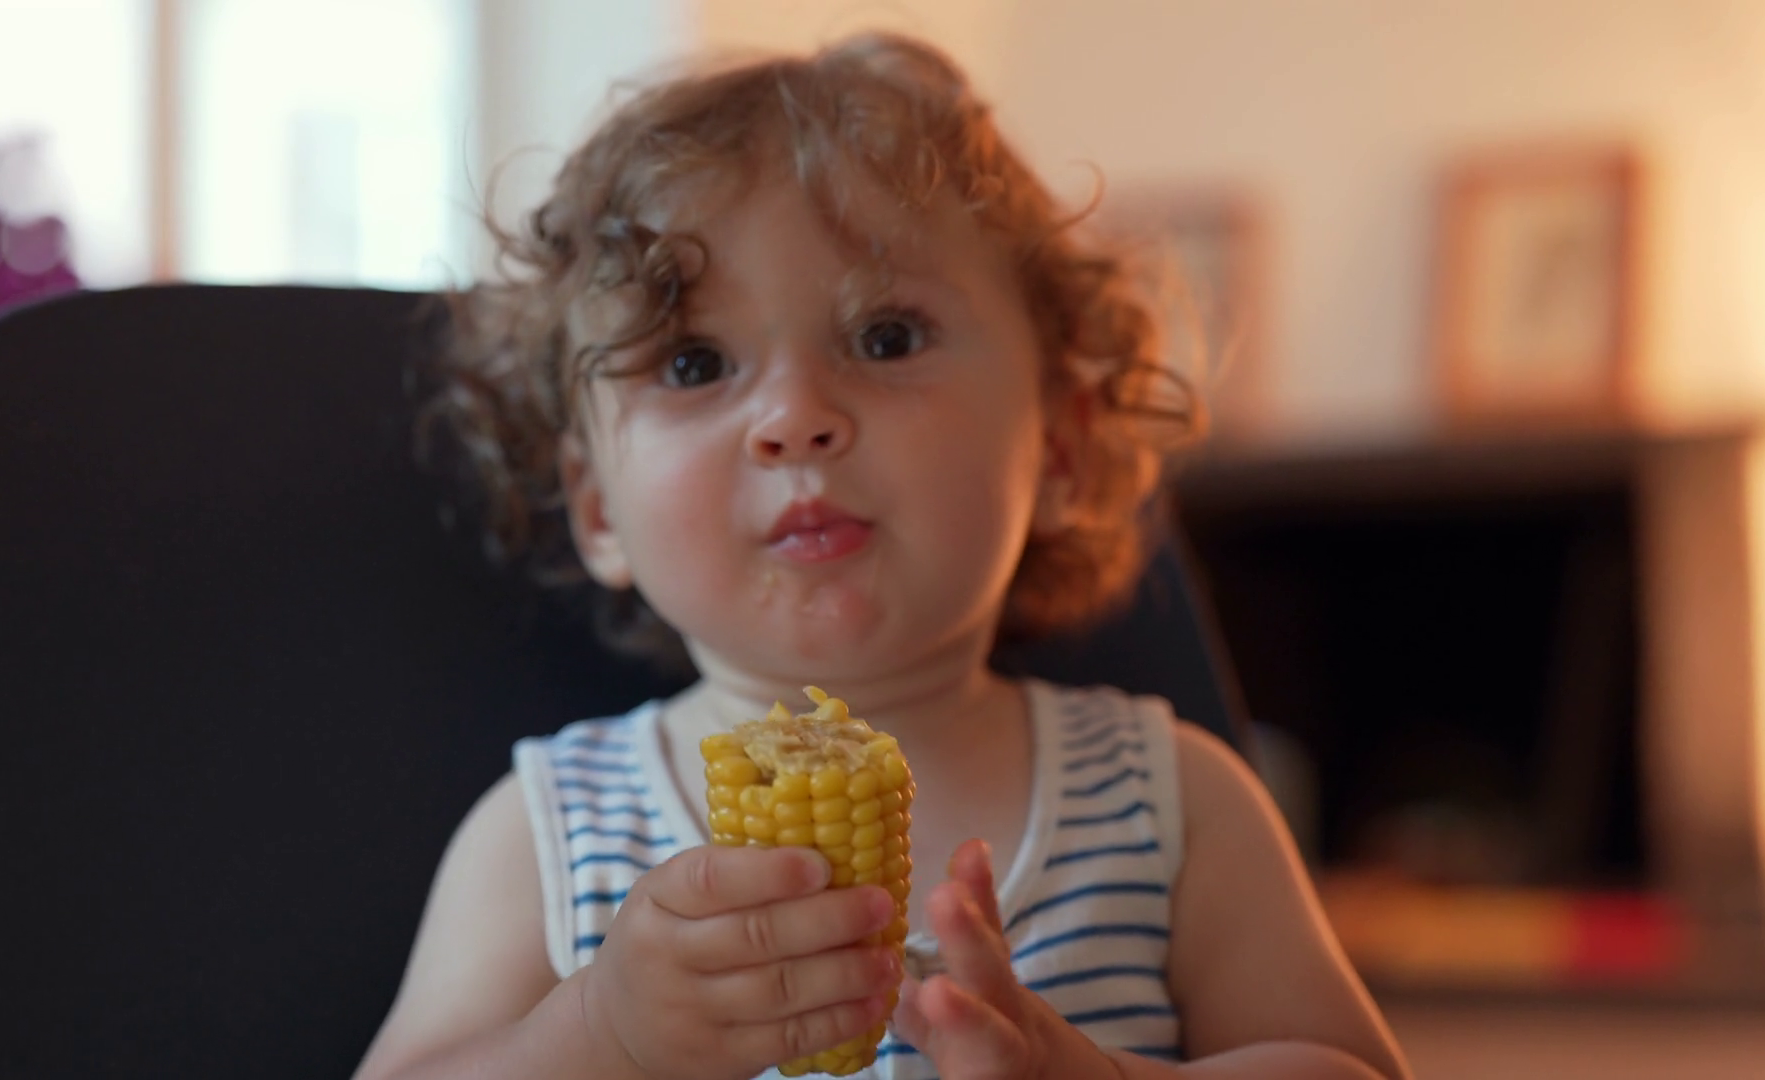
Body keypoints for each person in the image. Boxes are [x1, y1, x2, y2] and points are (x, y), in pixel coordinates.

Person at [355, 31, 1408, 1080]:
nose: (793, 418)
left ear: (1059, 446)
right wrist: (599, 1034)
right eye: (695, 362)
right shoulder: (552, 829)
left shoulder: (1171, 801)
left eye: (886, 338)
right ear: (597, 509)